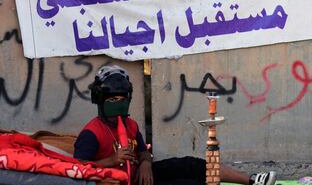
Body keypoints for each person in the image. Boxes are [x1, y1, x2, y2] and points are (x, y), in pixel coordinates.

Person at [74, 65, 276, 185]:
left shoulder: (131, 125)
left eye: (122, 98)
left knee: (191, 164)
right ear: (100, 100)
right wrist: (111, 160)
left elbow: (143, 152)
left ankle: (251, 180)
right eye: (112, 99)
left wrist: (145, 163)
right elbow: (77, 170)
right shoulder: (91, 133)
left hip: (143, 176)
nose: (118, 103)